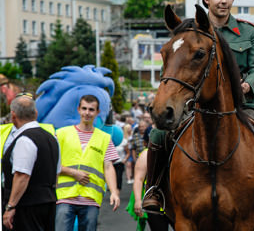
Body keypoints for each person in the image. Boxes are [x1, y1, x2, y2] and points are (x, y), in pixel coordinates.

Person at [143, 0, 254, 212]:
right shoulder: (192, 31)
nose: (223, 1)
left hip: (242, 101)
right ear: (207, 0)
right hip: (197, 102)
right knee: (157, 134)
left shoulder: (248, 32)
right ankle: (154, 190)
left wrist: (249, 85)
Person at [55, 95, 120, 231]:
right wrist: (73, 172)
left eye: (91, 109)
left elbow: (108, 167)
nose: (87, 113)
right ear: (78, 109)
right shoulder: (61, 134)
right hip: (65, 196)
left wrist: (114, 192)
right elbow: (52, 164)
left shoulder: (104, 138)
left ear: (97, 112)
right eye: (84, 108)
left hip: (91, 198)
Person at [1, 95, 60, 230]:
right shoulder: (52, 138)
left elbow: (22, 176)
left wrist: (11, 206)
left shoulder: (25, 140)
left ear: (13, 115)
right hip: (49, 201)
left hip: (27, 205)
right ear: (36, 113)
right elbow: (56, 173)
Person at [128, 148, 170, 231]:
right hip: (155, 202)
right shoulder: (147, 154)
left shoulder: (182, 152)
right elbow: (138, 179)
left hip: (178, 203)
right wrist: (138, 200)